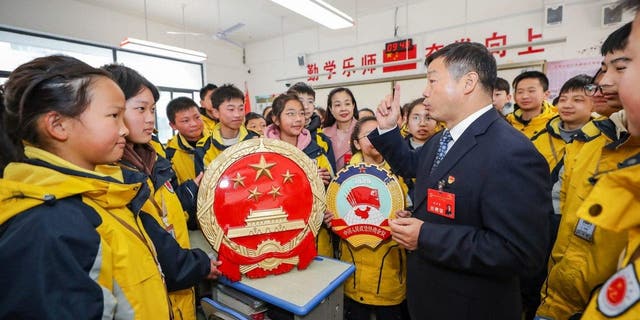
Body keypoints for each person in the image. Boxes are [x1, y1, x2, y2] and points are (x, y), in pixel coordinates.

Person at [0, 55, 214, 319]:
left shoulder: (108, 194)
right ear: (57, 125)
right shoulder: (49, 225)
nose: (124, 129)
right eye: (114, 115)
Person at [369, 42, 551, 320]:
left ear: (468, 82)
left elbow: (519, 252)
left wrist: (425, 235)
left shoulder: (511, 151)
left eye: (432, 81)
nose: (425, 91)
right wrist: (388, 128)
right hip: (430, 299)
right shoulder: (444, 138)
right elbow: (414, 167)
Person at [537, 20, 640, 320]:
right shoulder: (589, 139)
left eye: (620, 68)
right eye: (604, 69)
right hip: (558, 294)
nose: (604, 82)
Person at [330, 116, 409, 320]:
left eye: (380, 134)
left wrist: (408, 216)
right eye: (369, 135)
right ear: (356, 143)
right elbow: (337, 217)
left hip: (389, 276)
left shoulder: (402, 172)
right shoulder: (343, 177)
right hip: (353, 278)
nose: (376, 139)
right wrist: (332, 220)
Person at [264, 93, 334, 257]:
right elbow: (263, 194)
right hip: (280, 236)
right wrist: (305, 178)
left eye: (301, 113)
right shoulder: (264, 154)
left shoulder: (316, 151)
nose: (298, 119)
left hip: (317, 238)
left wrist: (325, 183)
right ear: (275, 119)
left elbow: (332, 189)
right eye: (290, 114)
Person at [205, 83, 258, 161]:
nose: (237, 115)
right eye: (231, 109)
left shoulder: (257, 139)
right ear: (216, 112)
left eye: (241, 109)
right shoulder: (204, 147)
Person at [164, 97, 207, 187]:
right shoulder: (169, 155)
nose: (194, 124)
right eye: (186, 121)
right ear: (173, 125)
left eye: (197, 117)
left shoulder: (216, 140)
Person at [506, 71, 558, 138]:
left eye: (531, 91)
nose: (525, 96)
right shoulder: (507, 121)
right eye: (520, 92)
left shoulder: (555, 123)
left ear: (546, 94)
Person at [323, 87, 359, 171]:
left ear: (353, 105)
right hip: (331, 183)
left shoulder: (363, 131)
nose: (343, 109)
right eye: (338, 105)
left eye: (347, 104)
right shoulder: (323, 134)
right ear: (331, 109)